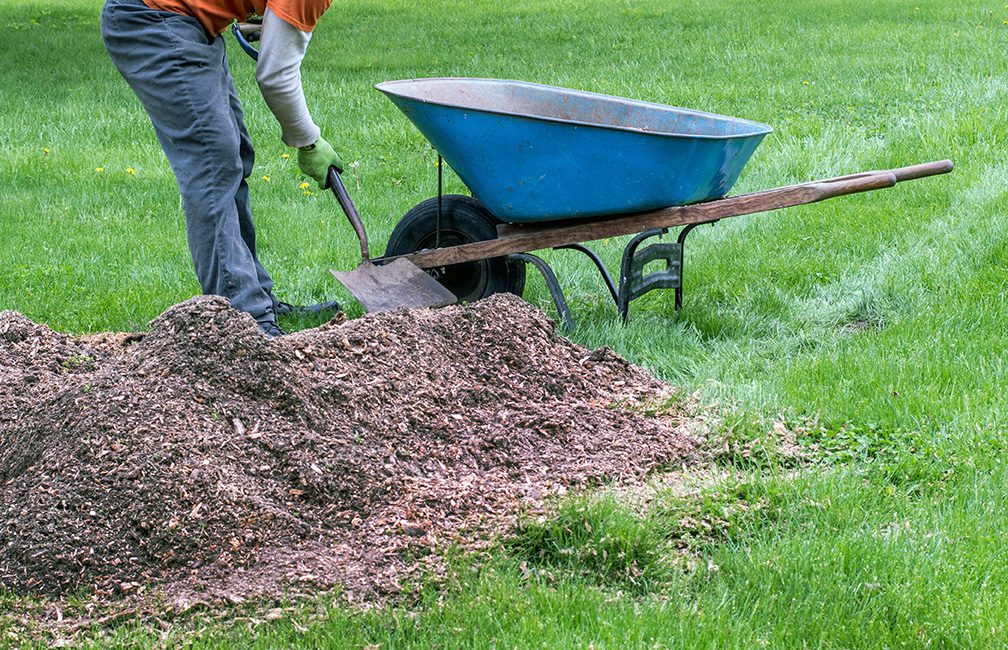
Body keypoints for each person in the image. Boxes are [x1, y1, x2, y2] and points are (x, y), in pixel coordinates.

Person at [100, 0, 343, 338]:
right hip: (153, 20)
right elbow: (276, 75)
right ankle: (243, 318)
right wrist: (308, 141)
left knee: (234, 153)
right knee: (212, 162)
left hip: (188, 23)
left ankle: (257, 299)